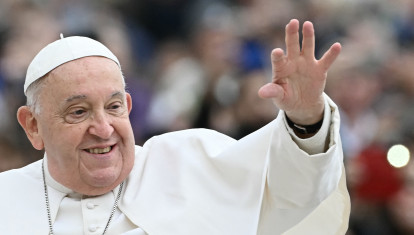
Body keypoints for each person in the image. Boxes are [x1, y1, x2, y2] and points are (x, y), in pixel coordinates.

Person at [0, 19, 350, 234]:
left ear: (129, 108)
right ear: (33, 126)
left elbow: (293, 189)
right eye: (78, 112)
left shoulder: (189, 160)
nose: (104, 128)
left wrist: (306, 118)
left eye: (114, 107)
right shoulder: (6, 198)